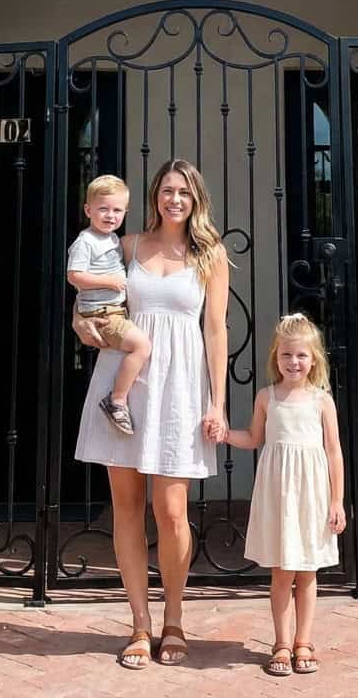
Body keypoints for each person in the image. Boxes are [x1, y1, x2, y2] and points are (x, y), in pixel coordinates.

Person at [73, 159, 229, 669]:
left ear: (196, 198)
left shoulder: (211, 254)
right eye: (166, 190)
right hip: (125, 380)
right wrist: (80, 324)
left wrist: (218, 402)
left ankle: (175, 618)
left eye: (183, 192)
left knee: (172, 509)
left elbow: (215, 331)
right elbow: (94, 300)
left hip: (181, 387)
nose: (174, 200)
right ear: (155, 196)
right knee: (126, 505)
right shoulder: (128, 245)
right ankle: (140, 624)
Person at [222, 312, 346, 677]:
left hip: (311, 494)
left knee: (307, 572)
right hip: (278, 494)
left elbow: (334, 452)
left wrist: (337, 500)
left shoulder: (322, 401)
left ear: (314, 359)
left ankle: (303, 641)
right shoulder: (267, 397)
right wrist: (225, 434)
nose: (294, 362)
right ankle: (280, 642)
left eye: (301, 355)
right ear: (276, 357)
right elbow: (254, 438)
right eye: (286, 355)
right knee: (281, 571)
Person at [66, 174, 152, 435]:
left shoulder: (114, 239)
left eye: (117, 210)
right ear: (88, 210)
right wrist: (110, 282)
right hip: (102, 314)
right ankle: (116, 400)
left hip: (115, 311)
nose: (110, 216)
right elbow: (74, 276)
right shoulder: (86, 241)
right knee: (142, 346)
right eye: (103, 209)